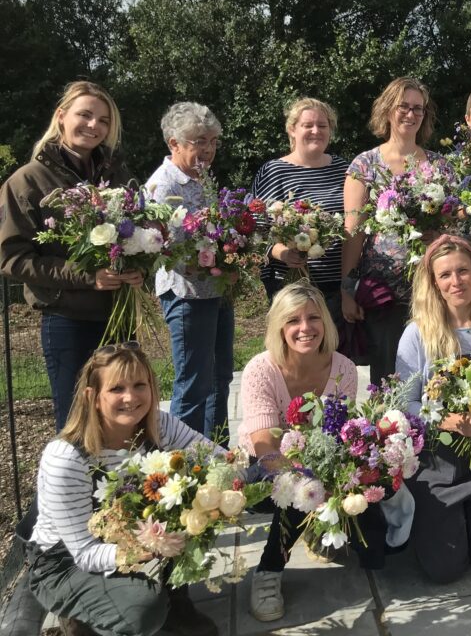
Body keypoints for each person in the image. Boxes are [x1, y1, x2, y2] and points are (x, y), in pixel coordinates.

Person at [27, 343, 218, 636]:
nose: (130, 397)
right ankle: (82, 617)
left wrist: (236, 480)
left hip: (128, 537)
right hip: (66, 562)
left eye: (140, 385)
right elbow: (84, 553)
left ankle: (176, 605)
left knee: (191, 501)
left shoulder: (157, 425)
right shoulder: (67, 458)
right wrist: (145, 549)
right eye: (116, 389)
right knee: (142, 607)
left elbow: (214, 457)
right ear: (93, 396)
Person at [0, 81, 143, 430]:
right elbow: (12, 258)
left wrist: (139, 267)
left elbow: (140, 232)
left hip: (120, 318)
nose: (94, 125)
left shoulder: (117, 175)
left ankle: (124, 486)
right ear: (61, 117)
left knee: (126, 420)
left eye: (104, 120)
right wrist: (87, 276)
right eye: (85, 115)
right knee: (79, 423)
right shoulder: (27, 181)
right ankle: (74, 486)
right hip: (69, 320)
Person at [395, 234, 471, 583]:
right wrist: (451, 421)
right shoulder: (418, 334)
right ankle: (440, 518)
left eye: (463, 271)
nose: (456, 281)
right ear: (433, 283)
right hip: (437, 463)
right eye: (445, 275)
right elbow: (405, 403)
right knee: (444, 569)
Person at [237, 282, 359, 622]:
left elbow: (339, 436)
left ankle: (318, 524)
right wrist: (306, 480)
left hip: (321, 459)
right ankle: (269, 571)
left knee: (377, 548)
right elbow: (264, 444)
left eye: (313, 318)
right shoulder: (261, 370)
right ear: (279, 327)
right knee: (294, 491)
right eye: (293, 320)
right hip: (265, 464)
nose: (305, 328)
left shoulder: (344, 369)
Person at [341, 77, 453, 385]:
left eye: (418, 108)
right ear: (388, 110)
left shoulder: (441, 167)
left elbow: (456, 226)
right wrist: (347, 289)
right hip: (384, 293)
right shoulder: (365, 165)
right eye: (404, 106)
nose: (411, 114)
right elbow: (354, 230)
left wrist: (439, 233)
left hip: (433, 288)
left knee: (433, 373)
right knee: (389, 376)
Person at [146, 102, 233, 442]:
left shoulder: (204, 178)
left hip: (217, 290)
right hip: (186, 295)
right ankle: (184, 461)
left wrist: (231, 259)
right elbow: (160, 249)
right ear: (174, 144)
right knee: (193, 382)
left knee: (220, 377)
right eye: (199, 141)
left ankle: (218, 452)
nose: (208, 149)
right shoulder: (163, 186)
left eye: (212, 141)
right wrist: (213, 263)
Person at [251, 98, 349, 328]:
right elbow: (254, 232)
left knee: (335, 357)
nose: (316, 131)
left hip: (338, 287)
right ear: (292, 130)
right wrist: (282, 252)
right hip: (290, 286)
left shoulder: (343, 169)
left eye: (322, 126)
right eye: (308, 125)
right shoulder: (275, 171)